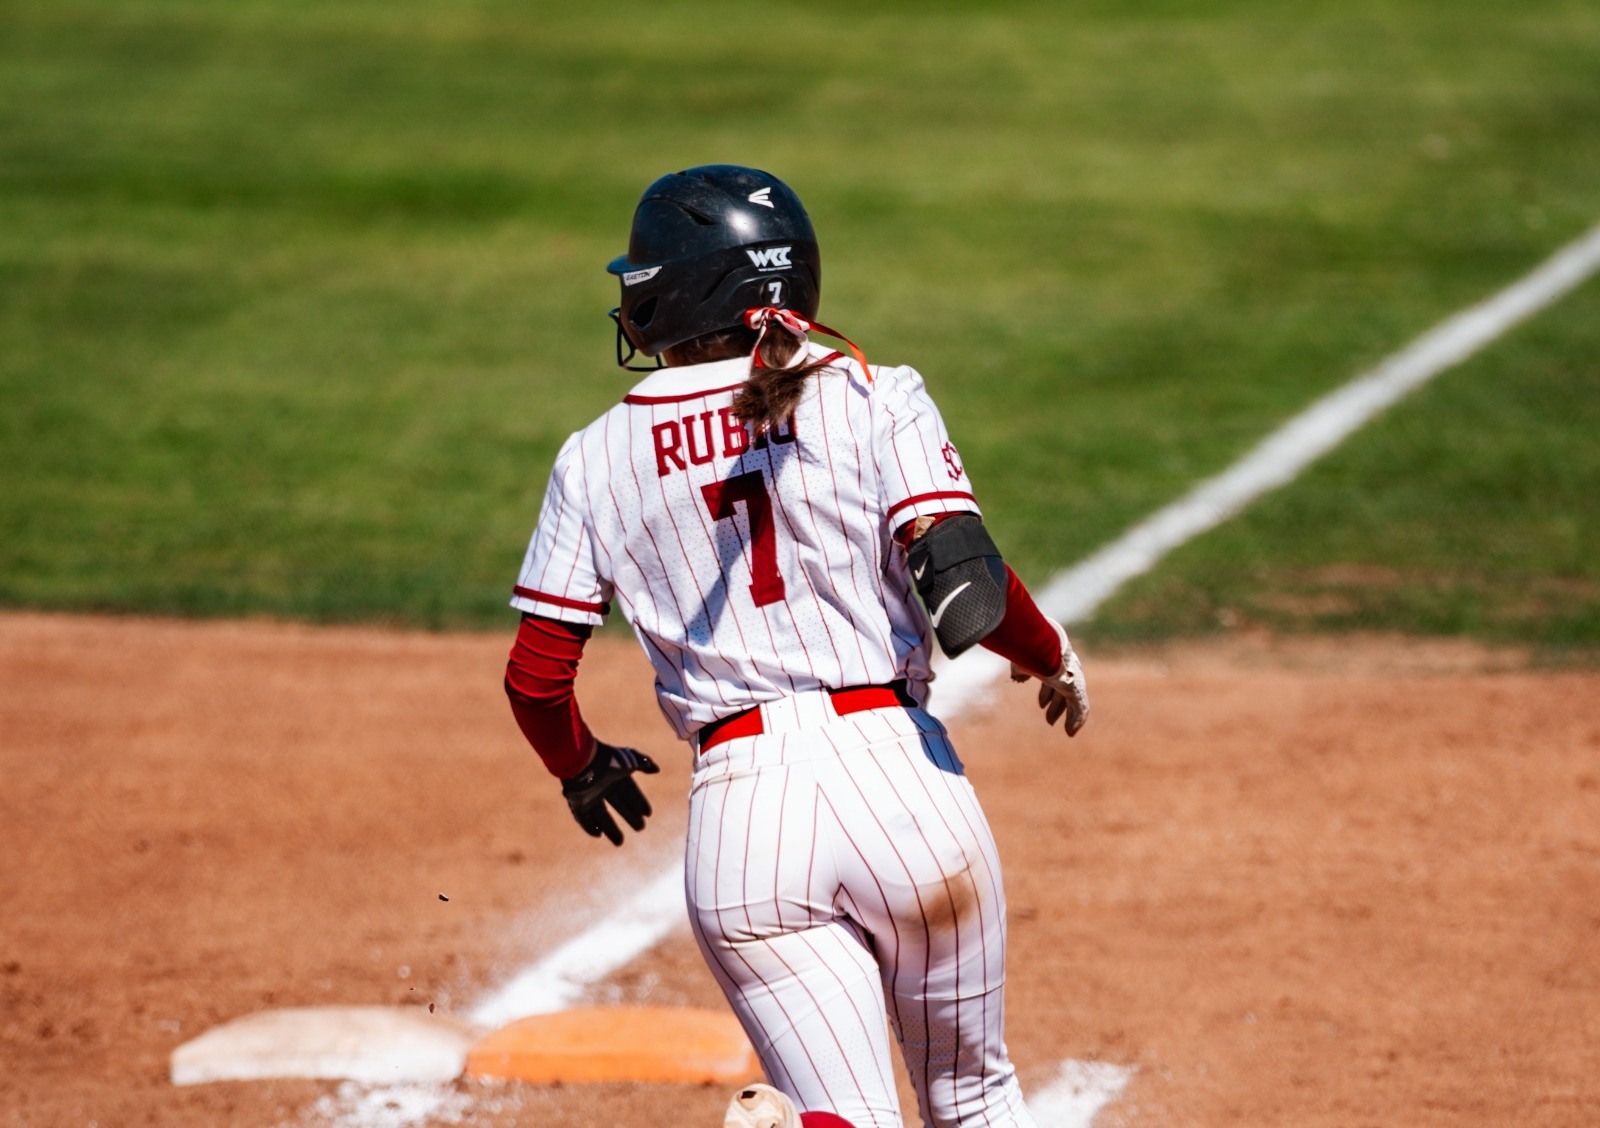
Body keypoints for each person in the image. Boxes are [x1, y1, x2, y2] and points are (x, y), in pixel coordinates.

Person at [504, 165, 1088, 1128]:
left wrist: (581, 766)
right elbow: (969, 587)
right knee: (975, 1095)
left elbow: (536, 679)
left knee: (849, 1112)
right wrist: (1049, 652)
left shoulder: (592, 456)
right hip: (907, 795)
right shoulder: (869, 393)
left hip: (745, 821)